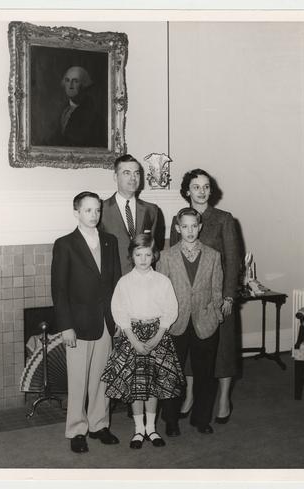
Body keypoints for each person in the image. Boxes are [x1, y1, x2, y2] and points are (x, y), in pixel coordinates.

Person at [51, 191, 121, 454]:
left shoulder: (110, 241)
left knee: (102, 378)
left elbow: (115, 283)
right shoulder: (65, 244)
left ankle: (99, 424)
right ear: (76, 212)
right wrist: (65, 325)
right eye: (88, 210)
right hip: (77, 325)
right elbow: (59, 289)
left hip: (105, 321)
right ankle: (77, 429)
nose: (94, 215)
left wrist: (118, 319)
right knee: (78, 380)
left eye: (97, 210)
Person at [170, 169, 241, 424]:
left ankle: (223, 398)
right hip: (188, 302)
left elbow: (233, 261)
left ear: (211, 190)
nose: (201, 191)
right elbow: (173, 259)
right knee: (190, 353)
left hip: (218, 299)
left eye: (206, 186)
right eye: (196, 186)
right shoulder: (178, 219)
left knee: (222, 352)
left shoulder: (224, 219)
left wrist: (228, 297)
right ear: (187, 191)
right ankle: (190, 395)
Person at [101, 234, 185, 449]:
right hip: (133, 335)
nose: (143, 259)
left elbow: (170, 310)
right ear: (132, 256)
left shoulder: (162, 281)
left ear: (154, 256)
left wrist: (157, 337)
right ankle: (139, 430)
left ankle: (151, 429)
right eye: (139, 254)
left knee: (154, 385)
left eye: (148, 254)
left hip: (157, 333)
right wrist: (134, 341)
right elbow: (119, 311)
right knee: (137, 385)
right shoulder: (124, 282)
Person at [157, 207, 224, 436]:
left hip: (205, 323)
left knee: (205, 375)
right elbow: (161, 293)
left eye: (194, 226)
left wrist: (216, 315)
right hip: (176, 323)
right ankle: (171, 420)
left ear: (200, 227)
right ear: (177, 228)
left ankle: (201, 419)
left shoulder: (213, 256)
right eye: (184, 226)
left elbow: (217, 290)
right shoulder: (166, 256)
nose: (190, 231)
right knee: (172, 375)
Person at [100, 154, 164, 275]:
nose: (133, 178)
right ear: (115, 176)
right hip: (114, 281)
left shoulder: (152, 210)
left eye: (137, 173)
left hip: (145, 280)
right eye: (126, 173)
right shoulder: (101, 210)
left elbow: (156, 248)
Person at [56, 66, 107, 147]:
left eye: (75, 81)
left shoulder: (94, 117)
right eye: (67, 80)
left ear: (84, 85)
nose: (70, 85)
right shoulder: (63, 110)